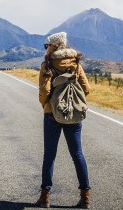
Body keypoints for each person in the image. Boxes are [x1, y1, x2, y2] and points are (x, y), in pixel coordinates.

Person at [35, 32, 92, 208]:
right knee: (78, 154)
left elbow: (44, 91)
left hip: (52, 113)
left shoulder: (48, 64)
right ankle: (85, 197)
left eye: (47, 46)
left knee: (49, 155)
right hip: (73, 114)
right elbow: (87, 89)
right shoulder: (76, 63)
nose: (45, 49)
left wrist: (46, 104)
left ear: (53, 46)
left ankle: (45, 197)